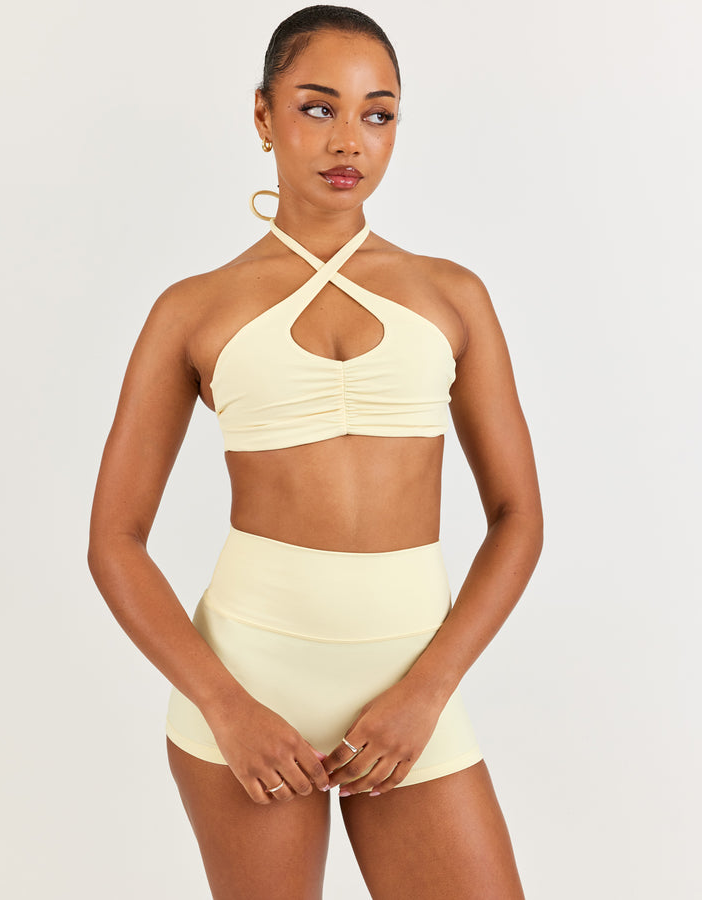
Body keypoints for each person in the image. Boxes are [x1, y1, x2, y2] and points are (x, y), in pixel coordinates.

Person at [88, 5, 543, 898]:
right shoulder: (193, 308)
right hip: (249, 685)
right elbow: (115, 539)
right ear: (263, 115)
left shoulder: (453, 296)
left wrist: (428, 691)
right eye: (318, 107)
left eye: (378, 114)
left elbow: (517, 517)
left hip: (414, 690)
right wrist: (226, 708)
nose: (349, 140)